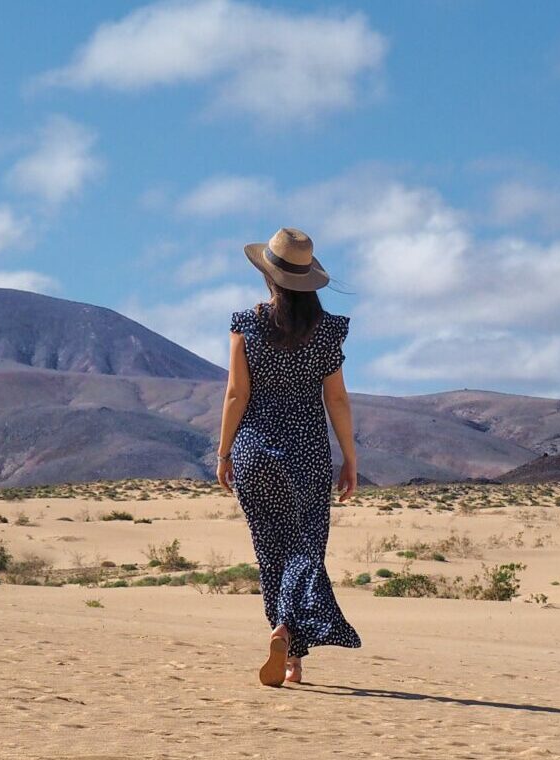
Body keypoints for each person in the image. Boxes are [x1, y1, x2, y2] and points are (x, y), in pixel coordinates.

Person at [215, 227, 362, 688]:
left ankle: (290, 651)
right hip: (307, 454)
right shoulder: (327, 330)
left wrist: (223, 453)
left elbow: (237, 393)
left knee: (272, 551)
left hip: (254, 450)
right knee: (306, 550)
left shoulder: (247, 324)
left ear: (269, 276)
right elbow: (336, 400)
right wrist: (350, 458)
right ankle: (288, 639)